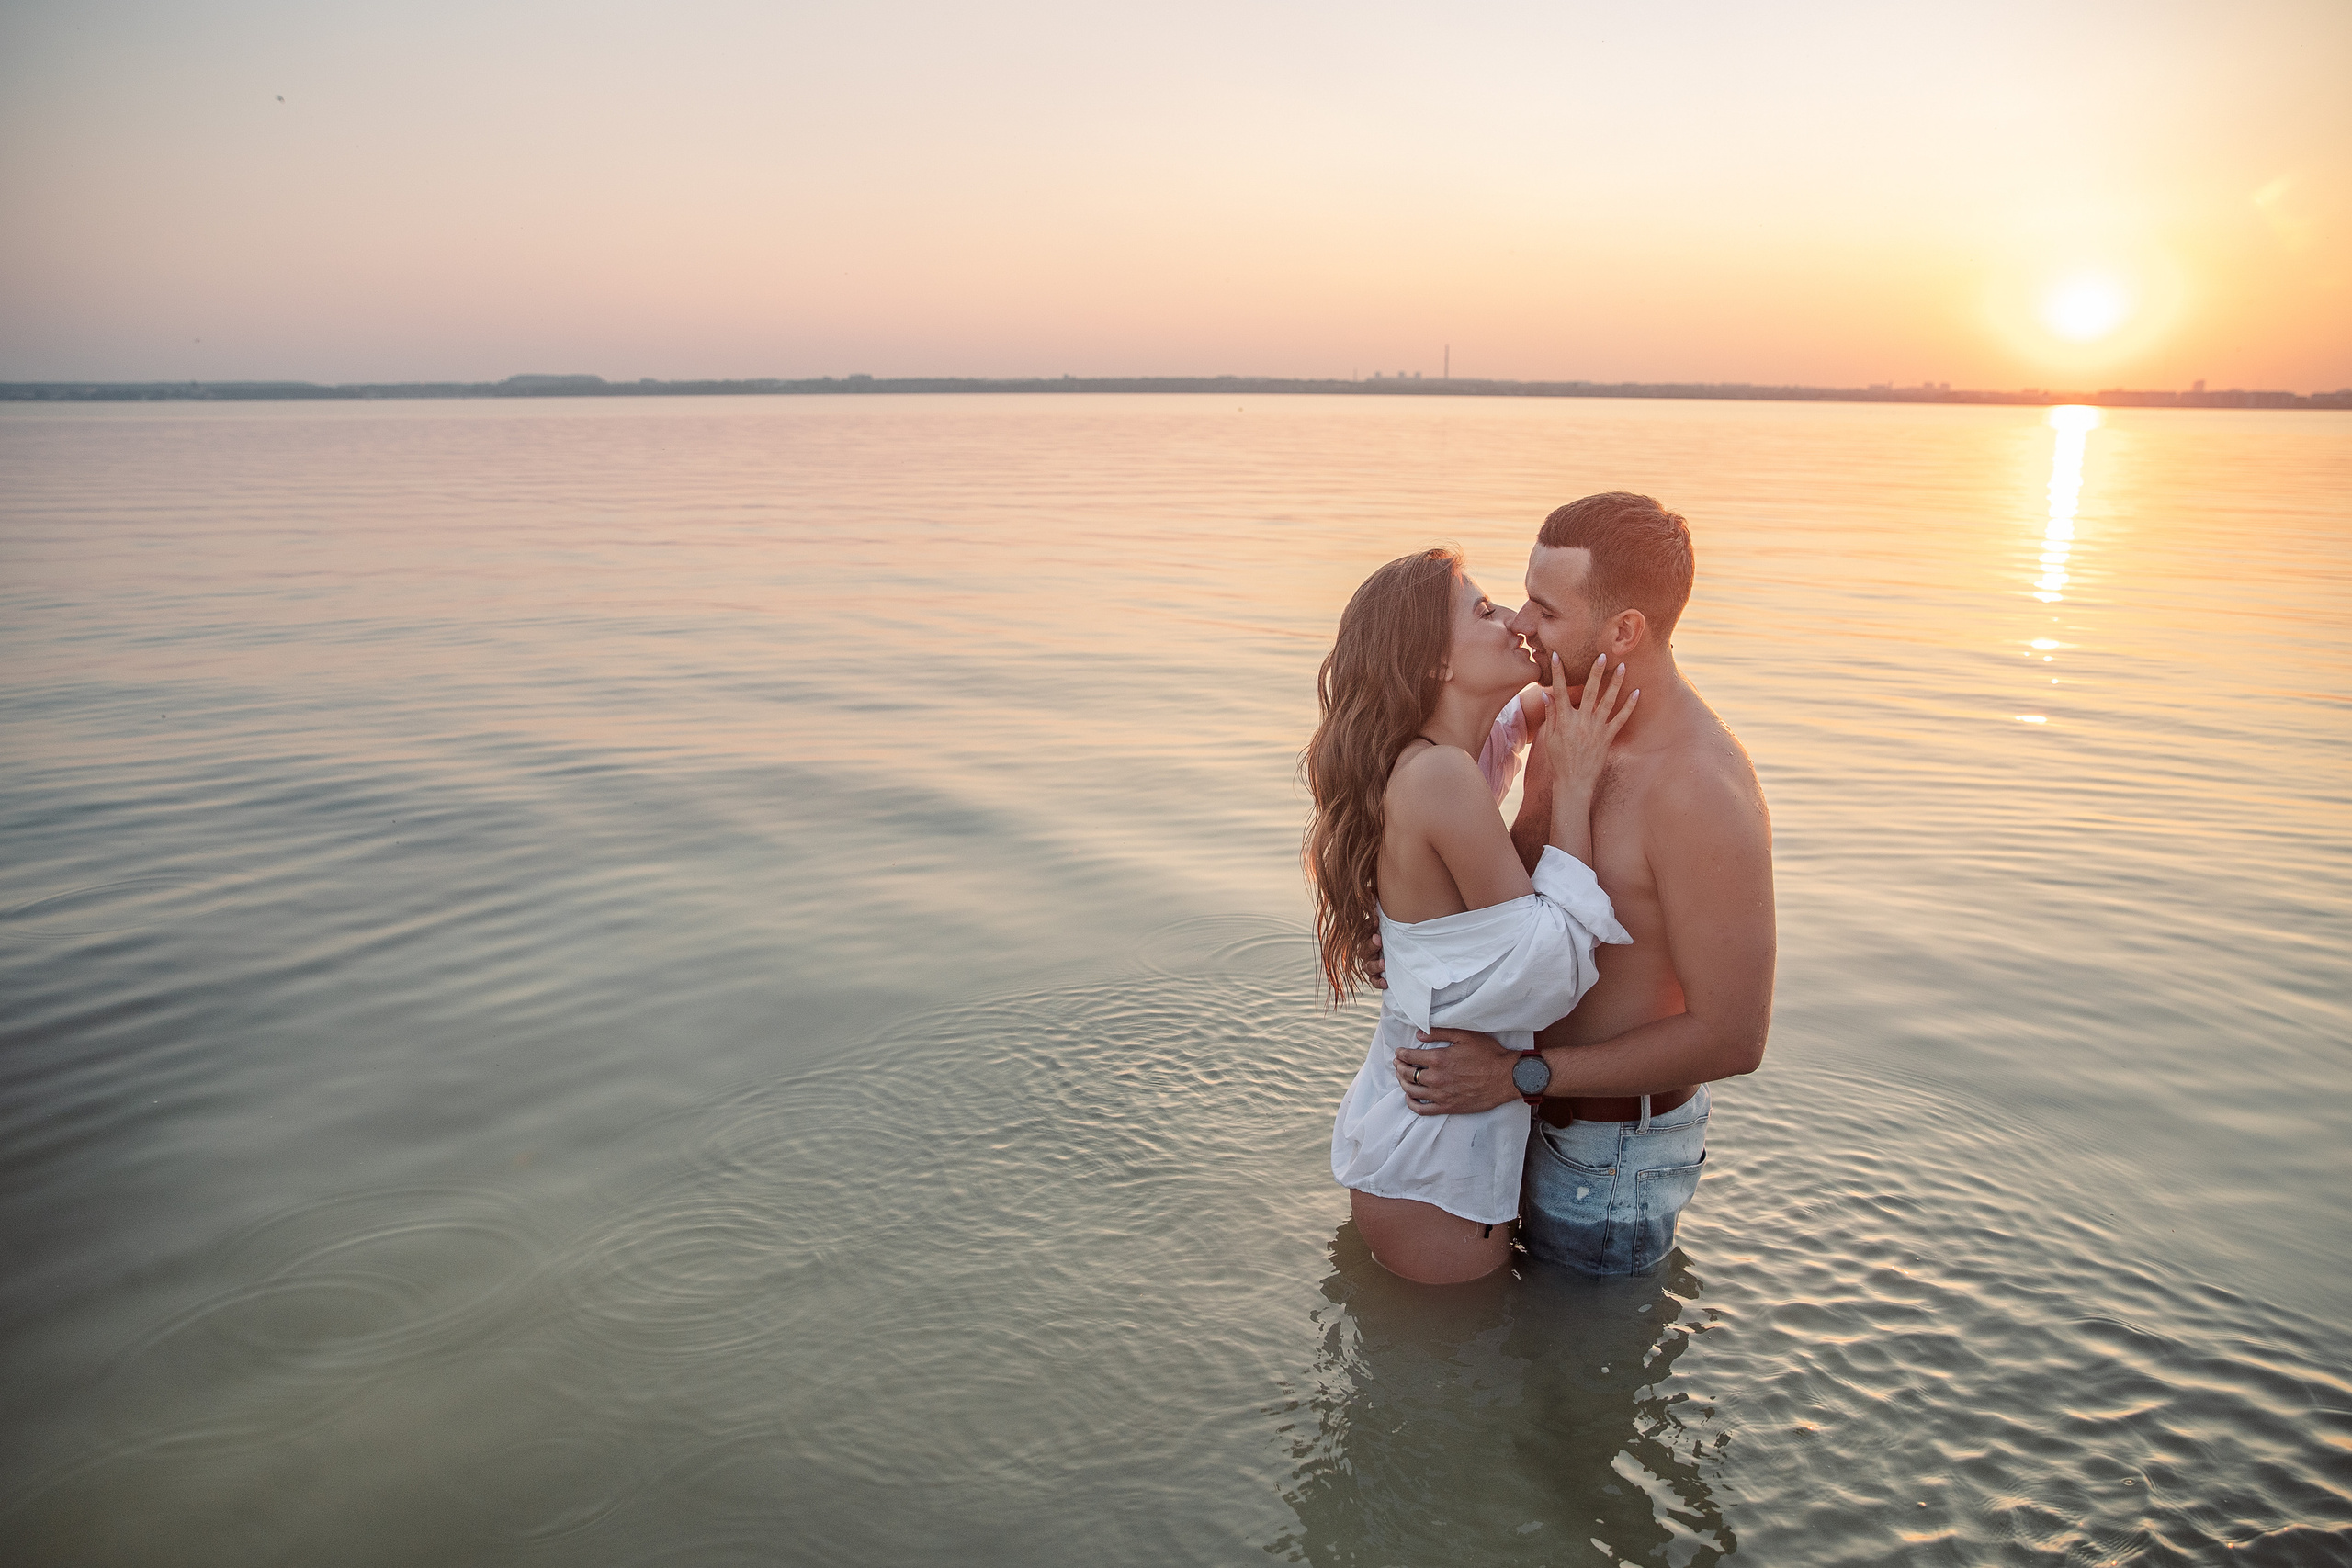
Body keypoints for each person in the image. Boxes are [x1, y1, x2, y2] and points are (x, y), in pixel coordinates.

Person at [1387, 492, 1776, 1276]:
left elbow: (1734, 1037)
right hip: (1511, 1115)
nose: (1522, 624)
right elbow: (1509, 895)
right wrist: (1410, 937)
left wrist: (1518, 1076)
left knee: (1581, 1394)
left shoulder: (1698, 790)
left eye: (1546, 608)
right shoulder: (1562, 710)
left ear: (1624, 629)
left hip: (1608, 1156)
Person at [1305, 547, 1639, 1284]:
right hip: (1435, 1175)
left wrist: (1552, 691)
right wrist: (1576, 788)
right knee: (1458, 1387)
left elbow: (1506, 734)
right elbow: (1551, 969)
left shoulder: (1433, 759)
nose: (1516, 622)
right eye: (1486, 612)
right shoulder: (1441, 776)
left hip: (1417, 1151)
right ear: (1435, 666)